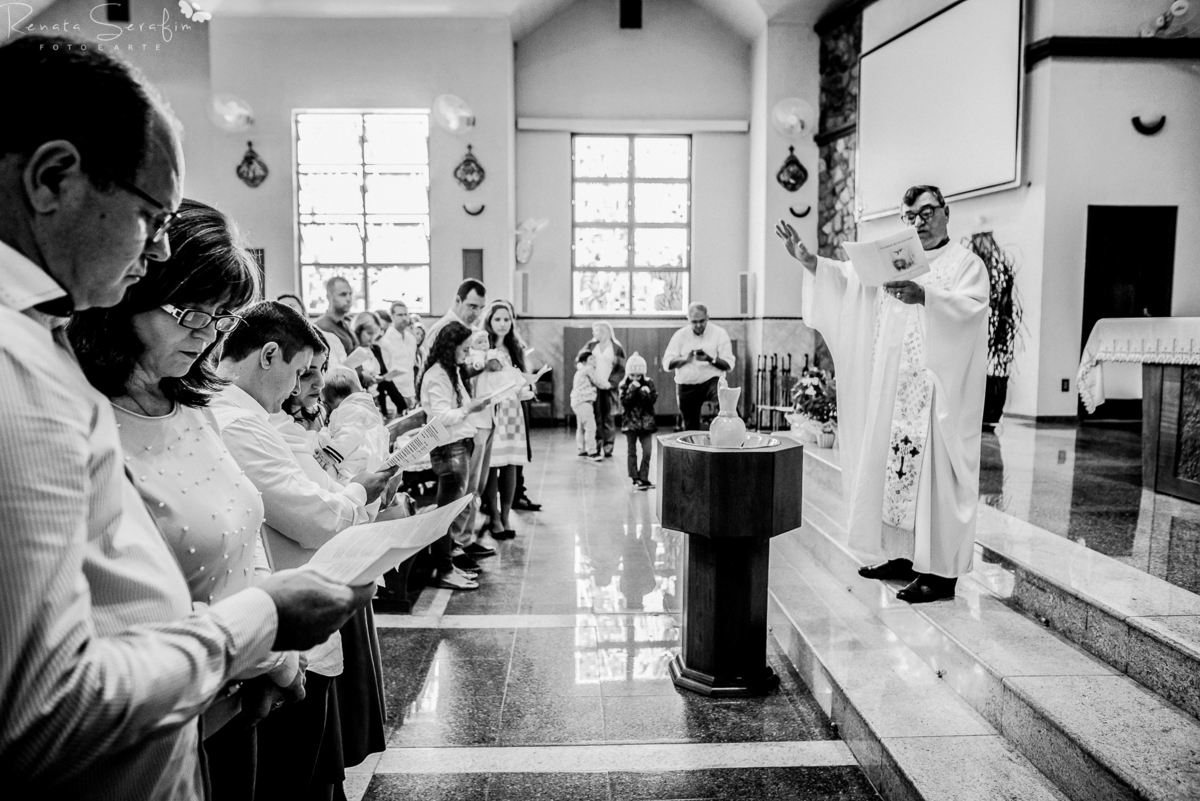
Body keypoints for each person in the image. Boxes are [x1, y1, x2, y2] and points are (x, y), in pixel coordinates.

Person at [0, 37, 369, 799]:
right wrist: (256, 626)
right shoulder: (18, 367)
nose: (158, 247)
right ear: (52, 180)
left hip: (188, 720)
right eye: (150, 214)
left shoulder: (51, 343)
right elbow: (44, 711)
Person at [68, 199, 302, 801]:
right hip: (160, 710)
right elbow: (122, 605)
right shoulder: (83, 419)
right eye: (188, 312)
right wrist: (264, 648)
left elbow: (245, 526)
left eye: (220, 318)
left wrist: (273, 653)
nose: (205, 335)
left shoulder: (195, 406)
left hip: (240, 691)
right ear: (129, 288)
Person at [210, 301, 397, 798]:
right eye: (296, 373)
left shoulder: (244, 415)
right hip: (275, 629)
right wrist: (359, 494)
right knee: (296, 779)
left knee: (312, 771)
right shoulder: (238, 422)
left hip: (286, 619)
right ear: (268, 355)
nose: (298, 388)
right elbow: (311, 515)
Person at [775, 184, 989, 603]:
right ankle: (903, 557)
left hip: (936, 398)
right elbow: (853, 282)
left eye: (927, 212)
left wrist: (924, 295)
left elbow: (971, 310)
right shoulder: (898, 259)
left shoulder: (966, 264)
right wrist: (811, 262)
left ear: (946, 212)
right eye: (910, 216)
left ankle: (940, 574)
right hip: (896, 396)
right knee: (893, 475)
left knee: (934, 482)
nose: (919, 222)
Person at [419, 321, 496, 589]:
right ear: (450, 347)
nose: (465, 355)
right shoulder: (437, 374)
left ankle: (449, 565)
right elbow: (441, 416)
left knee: (452, 511)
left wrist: (473, 406)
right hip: (449, 448)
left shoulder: (449, 371)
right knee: (446, 515)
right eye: (463, 350)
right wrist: (470, 408)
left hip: (459, 444)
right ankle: (444, 570)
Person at [481, 300, 533, 539]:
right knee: (493, 464)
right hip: (492, 409)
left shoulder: (516, 348)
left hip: (513, 410)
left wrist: (526, 387)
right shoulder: (482, 347)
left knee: (511, 463)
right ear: (489, 322)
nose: (502, 324)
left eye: (506, 319)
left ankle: (505, 515)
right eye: (497, 319)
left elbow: (522, 379)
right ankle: (493, 516)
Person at [663, 302, 735, 432]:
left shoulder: (719, 333)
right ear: (688, 319)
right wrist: (685, 359)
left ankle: (733, 434)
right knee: (690, 426)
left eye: (702, 321)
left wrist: (709, 358)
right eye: (694, 322)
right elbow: (667, 364)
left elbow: (729, 365)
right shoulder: (680, 335)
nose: (698, 325)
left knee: (726, 404)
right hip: (687, 384)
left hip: (711, 380)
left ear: (707, 317)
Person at [323, 365, 391, 481]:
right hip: (376, 458)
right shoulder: (368, 407)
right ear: (362, 391)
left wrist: (330, 455)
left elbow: (351, 434)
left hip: (359, 462)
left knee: (345, 482)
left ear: (330, 404)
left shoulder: (348, 409)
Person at [578, 322, 625, 456]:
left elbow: (621, 369)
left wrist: (612, 383)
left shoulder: (616, 348)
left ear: (605, 332)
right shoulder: (591, 345)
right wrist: (584, 370)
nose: (594, 333)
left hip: (608, 387)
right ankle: (596, 445)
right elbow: (580, 360)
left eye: (596, 330)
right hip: (593, 386)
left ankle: (608, 446)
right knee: (596, 416)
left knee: (608, 417)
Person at [354, 310, 407, 417]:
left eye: (374, 334)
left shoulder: (375, 349)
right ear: (358, 330)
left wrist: (402, 405)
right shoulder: (352, 352)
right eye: (369, 333)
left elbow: (387, 379)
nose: (371, 338)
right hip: (360, 406)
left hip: (378, 403)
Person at [620, 353, 659, 490]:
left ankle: (644, 477)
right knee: (632, 451)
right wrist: (632, 389)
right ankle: (635, 477)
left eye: (638, 375)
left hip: (646, 424)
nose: (635, 378)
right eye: (632, 375)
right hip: (630, 424)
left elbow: (652, 402)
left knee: (647, 451)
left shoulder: (649, 383)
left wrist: (645, 393)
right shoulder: (624, 386)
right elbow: (625, 402)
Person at [380, 299, 420, 409]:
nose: (404, 318)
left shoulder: (411, 339)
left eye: (406, 314)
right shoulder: (385, 340)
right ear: (392, 316)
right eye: (400, 315)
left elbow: (412, 366)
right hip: (394, 394)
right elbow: (386, 370)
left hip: (410, 391)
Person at [571, 351, 606, 461]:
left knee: (581, 427)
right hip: (584, 401)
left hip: (576, 401)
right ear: (584, 362)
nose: (594, 361)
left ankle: (581, 449)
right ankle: (592, 451)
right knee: (591, 427)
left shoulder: (580, 371)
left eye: (594, 359)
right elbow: (598, 381)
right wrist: (609, 385)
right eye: (591, 359)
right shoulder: (588, 369)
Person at [314, 276, 357, 356]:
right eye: (343, 294)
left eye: (350, 294)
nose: (349, 299)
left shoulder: (347, 323)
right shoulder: (321, 327)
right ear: (329, 297)